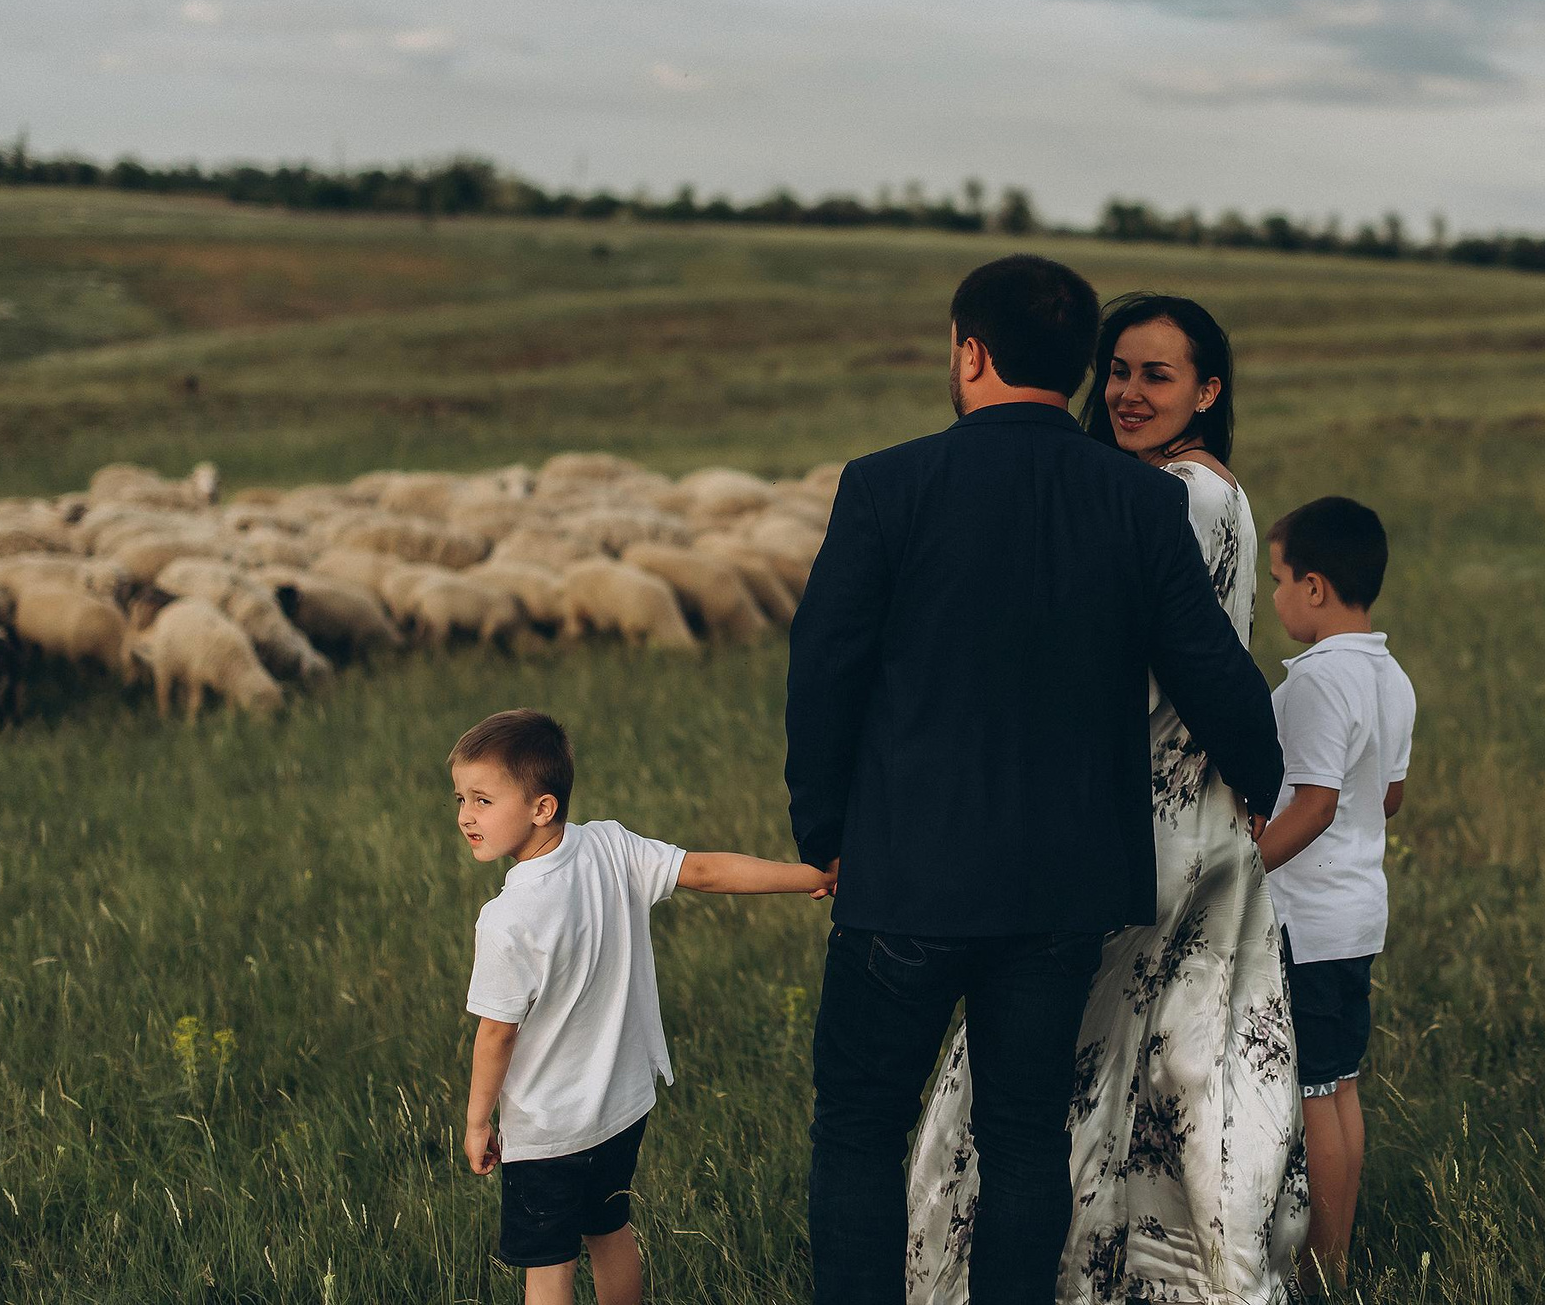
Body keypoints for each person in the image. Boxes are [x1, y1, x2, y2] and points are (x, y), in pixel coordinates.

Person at [787, 257, 1284, 1305]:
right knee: (1022, 1133)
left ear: (969, 351)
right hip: (1062, 886)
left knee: (859, 1125)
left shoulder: (887, 482)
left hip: (907, 875)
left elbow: (825, 672)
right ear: (1075, 368)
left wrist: (823, 831)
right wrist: (1262, 771)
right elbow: (1211, 667)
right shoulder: (1136, 499)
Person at [454, 708, 834, 1305]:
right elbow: (705, 871)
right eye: (461, 798)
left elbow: (495, 1036)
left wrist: (478, 1123)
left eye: (481, 799)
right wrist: (810, 875)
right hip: (621, 1110)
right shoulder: (611, 846)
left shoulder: (506, 920)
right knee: (608, 1230)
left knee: (550, 1266)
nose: (464, 816)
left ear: (541, 807)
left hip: (545, 1131)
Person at [1252, 499, 1415, 1292]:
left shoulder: (1320, 681)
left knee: (1313, 1094)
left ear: (1313, 587)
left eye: (1276, 579)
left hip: (1307, 921)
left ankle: (1323, 1263)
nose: (1271, 596)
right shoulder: (1391, 675)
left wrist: (1244, 864)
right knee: (1339, 1084)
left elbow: (1314, 806)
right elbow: (1384, 798)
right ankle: (1336, 1255)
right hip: (1358, 910)